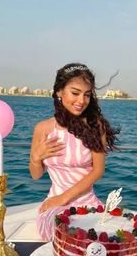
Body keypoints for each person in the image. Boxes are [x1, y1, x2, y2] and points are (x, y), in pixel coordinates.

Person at [29, 62, 118, 241]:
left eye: (86, 95)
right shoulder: (43, 128)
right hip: (53, 204)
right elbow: (36, 175)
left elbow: (98, 170)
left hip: (87, 203)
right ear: (59, 92)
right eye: (75, 93)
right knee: (65, 235)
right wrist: (35, 158)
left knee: (98, 239)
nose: (81, 101)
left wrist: (64, 198)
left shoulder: (94, 126)